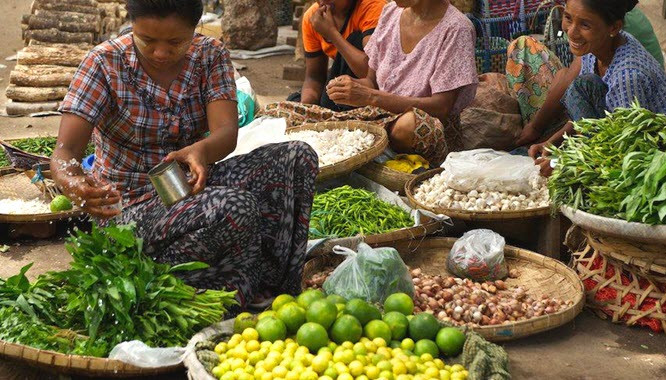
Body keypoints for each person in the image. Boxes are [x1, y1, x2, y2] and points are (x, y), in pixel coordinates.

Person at [50, 0, 318, 309]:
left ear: (195, 28)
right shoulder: (104, 63)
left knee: (297, 158)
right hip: (127, 211)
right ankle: (213, 292)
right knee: (234, 207)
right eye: (147, 40)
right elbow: (66, 151)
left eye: (176, 42)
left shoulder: (209, 55)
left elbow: (226, 133)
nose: (161, 53)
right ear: (132, 25)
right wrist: (73, 182)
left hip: (190, 188)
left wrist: (202, 149)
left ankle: (272, 286)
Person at [265, 0, 479, 165]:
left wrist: (371, 97)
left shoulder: (456, 28)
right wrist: (352, 89)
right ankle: (369, 152)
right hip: (376, 119)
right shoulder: (391, 13)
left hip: (421, 126)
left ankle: (370, 153)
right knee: (277, 113)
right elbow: (371, 81)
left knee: (408, 126)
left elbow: (441, 107)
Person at [510, 0, 666, 175]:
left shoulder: (627, 76)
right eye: (568, 18)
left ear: (613, 28)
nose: (571, 32)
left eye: (585, 25)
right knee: (582, 87)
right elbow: (587, 116)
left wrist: (561, 161)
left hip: (660, 157)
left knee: (579, 86)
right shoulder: (596, 48)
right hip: (618, 133)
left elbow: (628, 151)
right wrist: (552, 142)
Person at [289, 0, 385, 111]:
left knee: (355, 39)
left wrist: (332, 34)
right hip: (341, 84)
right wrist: (306, 108)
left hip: (375, 90)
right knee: (294, 101)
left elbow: (374, 75)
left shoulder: (372, 7)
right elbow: (314, 78)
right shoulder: (313, 17)